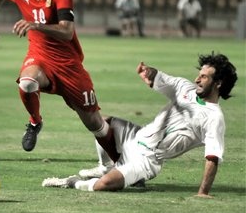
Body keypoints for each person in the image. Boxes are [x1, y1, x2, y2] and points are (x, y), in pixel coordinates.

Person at [0, 0, 119, 161]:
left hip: (68, 65)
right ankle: (35, 121)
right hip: (40, 57)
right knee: (27, 82)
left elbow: (67, 31)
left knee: (95, 123)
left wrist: (35, 25)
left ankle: (124, 162)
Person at [42, 52, 237, 198]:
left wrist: (203, 192)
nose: (197, 79)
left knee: (104, 185)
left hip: (148, 160)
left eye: (204, 77)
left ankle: (72, 182)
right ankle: (105, 166)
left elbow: (212, 158)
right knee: (102, 121)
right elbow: (160, 78)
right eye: (199, 74)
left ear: (218, 83)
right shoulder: (185, 88)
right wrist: (148, 72)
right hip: (135, 135)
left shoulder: (214, 117)